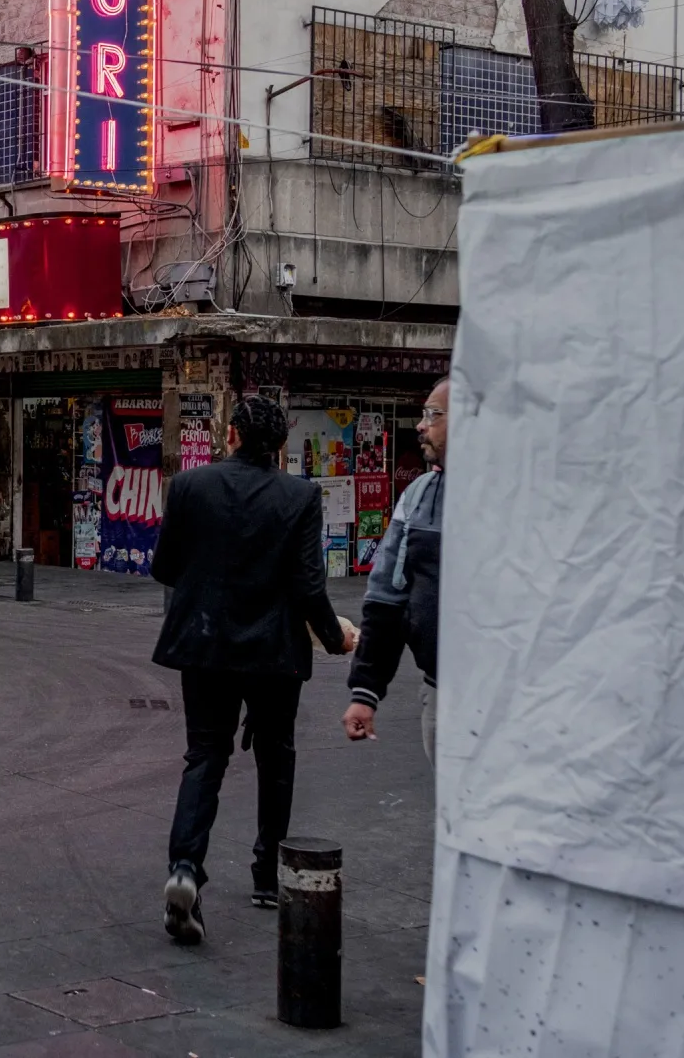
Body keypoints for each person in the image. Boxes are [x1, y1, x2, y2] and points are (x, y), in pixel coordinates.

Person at [150, 394, 354, 943]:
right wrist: (335, 638)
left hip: (207, 646)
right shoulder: (300, 496)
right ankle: (267, 874)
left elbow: (164, 567)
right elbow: (310, 585)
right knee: (276, 756)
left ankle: (185, 869)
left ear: (232, 434)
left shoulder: (190, 487)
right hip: (273, 652)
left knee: (205, 757)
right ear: (280, 447)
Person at [345, 377, 447, 758]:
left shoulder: (525, 495)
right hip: (442, 694)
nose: (420, 425)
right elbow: (388, 599)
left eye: (433, 415)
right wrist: (366, 691)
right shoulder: (419, 495)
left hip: (521, 702)